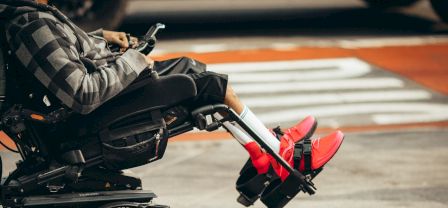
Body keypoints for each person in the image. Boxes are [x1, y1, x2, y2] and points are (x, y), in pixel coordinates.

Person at [0, 0, 343, 181]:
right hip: (89, 121)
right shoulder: (32, 26)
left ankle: (266, 149)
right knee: (205, 83)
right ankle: (284, 159)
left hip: (90, 107)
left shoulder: (30, 15)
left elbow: (66, 53)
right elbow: (82, 93)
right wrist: (132, 61)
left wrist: (101, 37)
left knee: (193, 71)